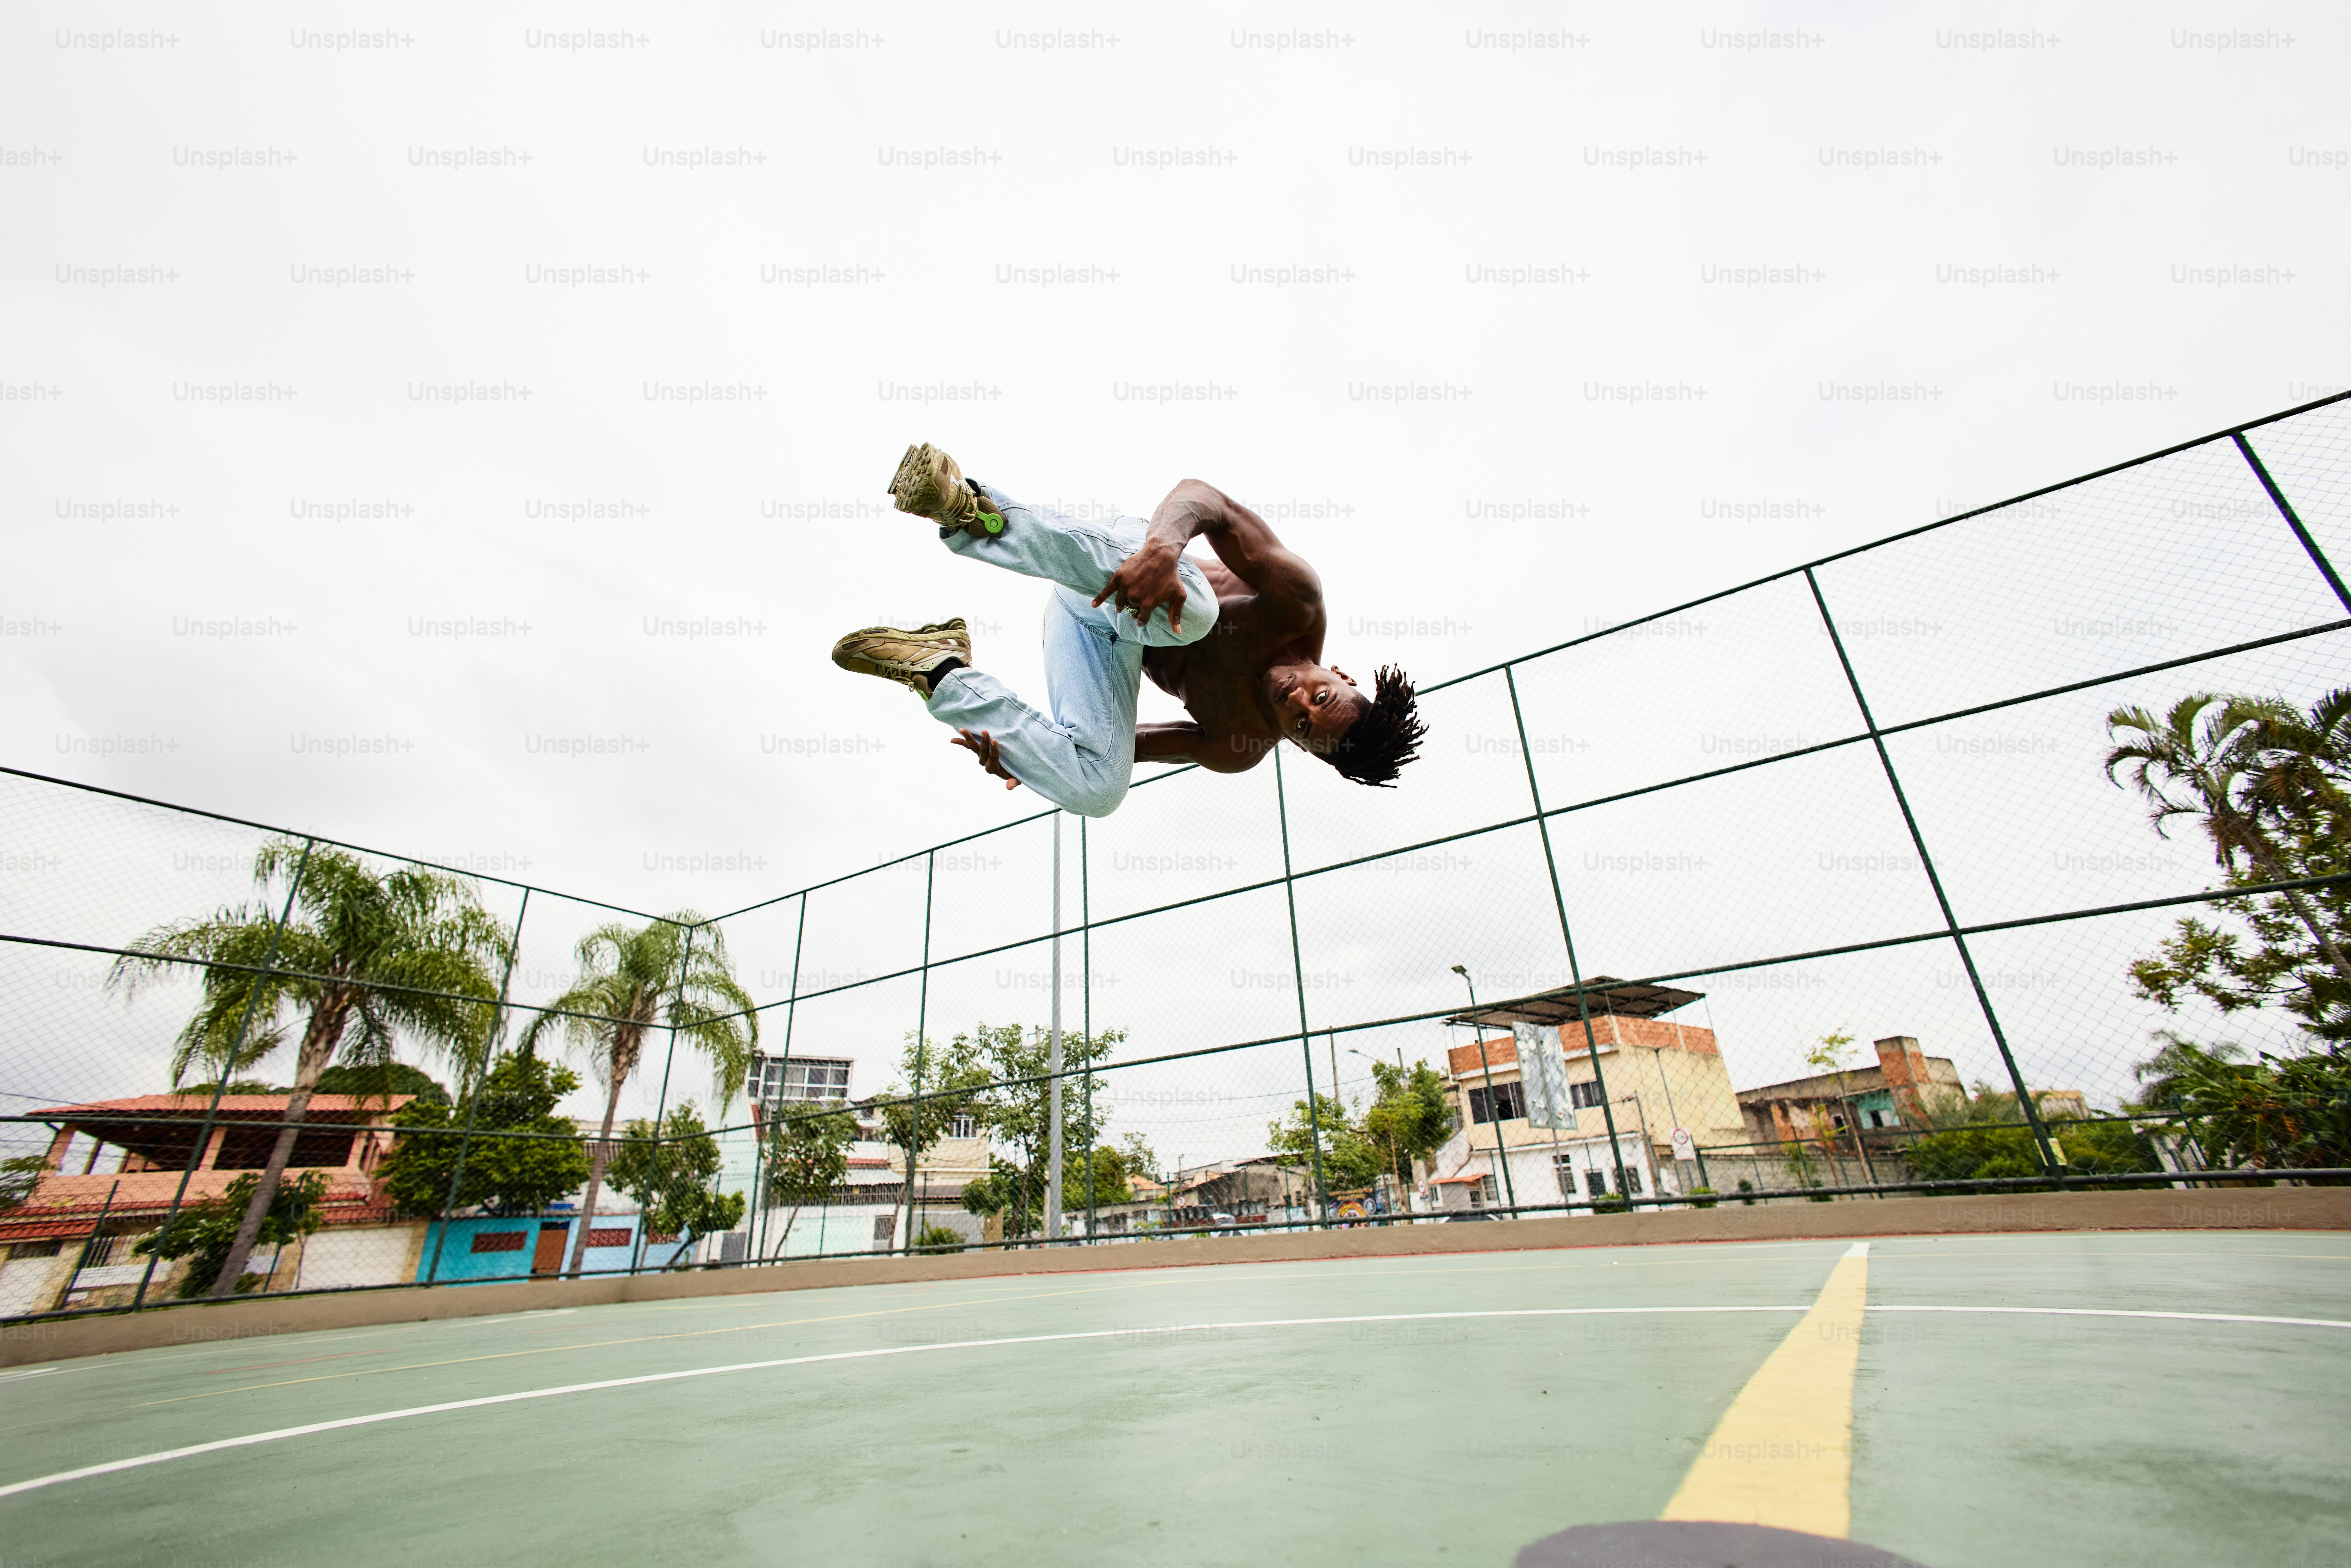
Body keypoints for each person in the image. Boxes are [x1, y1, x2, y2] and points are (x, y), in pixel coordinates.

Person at [831, 443, 1426, 817]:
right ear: (1339, 674)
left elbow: (1123, 747)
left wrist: (1030, 757)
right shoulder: (1298, 600)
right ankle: (971, 511)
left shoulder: (1236, 744)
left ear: (1295, 744)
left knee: (1100, 793)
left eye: (1301, 723)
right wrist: (1166, 547)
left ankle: (942, 672)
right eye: (1319, 696)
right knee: (1197, 612)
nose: (1294, 699)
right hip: (1119, 561)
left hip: (1089, 631)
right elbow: (1204, 497)